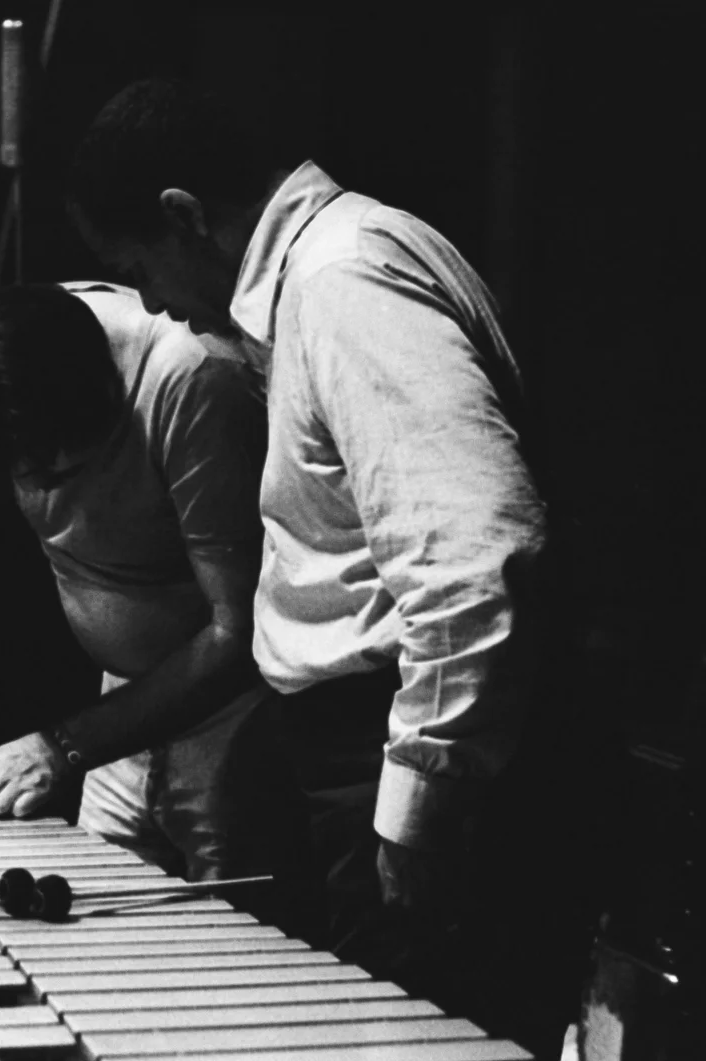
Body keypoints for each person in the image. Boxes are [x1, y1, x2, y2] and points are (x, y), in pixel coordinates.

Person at [66, 78, 583, 1056]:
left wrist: (419, 802)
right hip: (362, 746)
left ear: (185, 214)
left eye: (137, 267)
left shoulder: (344, 279)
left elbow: (472, 553)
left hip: (395, 748)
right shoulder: (338, 265)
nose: (152, 303)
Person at [0, 281, 278, 882]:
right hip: (117, 713)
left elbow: (240, 631)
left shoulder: (192, 380)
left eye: (49, 473)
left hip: (230, 714)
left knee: (231, 934)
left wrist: (62, 745)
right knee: (101, 927)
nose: (36, 491)